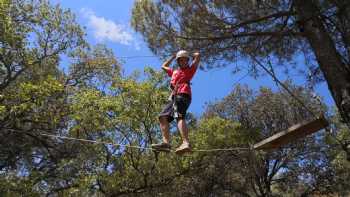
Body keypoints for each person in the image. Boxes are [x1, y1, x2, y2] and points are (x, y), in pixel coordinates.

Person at [152, 50, 200, 154]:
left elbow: (197, 58)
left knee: (179, 117)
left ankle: (185, 143)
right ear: (178, 62)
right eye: (180, 60)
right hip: (176, 96)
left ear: (188, 61)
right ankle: (166, 143)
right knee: (163, 117)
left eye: (185, 60)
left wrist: (192, 55)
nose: (183, 62)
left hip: (182, 95)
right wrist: (173, 56)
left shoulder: (189, 70)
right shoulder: (174, 72)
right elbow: (163, 66)